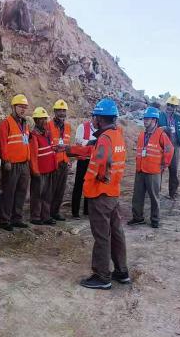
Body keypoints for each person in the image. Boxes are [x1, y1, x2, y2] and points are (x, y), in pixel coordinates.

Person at [67, 99, 130, 290]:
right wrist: (68, 150)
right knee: (116, 233)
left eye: (94, 116)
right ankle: (121, 271)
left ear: (100, 118)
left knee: (102, 236)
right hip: (112, 193)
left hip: (100, 194)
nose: (93, 119)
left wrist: (101, 176)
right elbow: (92, 150)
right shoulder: (116, 135)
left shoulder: (104, 138)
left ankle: (102, 276)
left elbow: (102, 158)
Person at [127, 107, 174, 228]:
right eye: (144, 118)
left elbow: (169, 149)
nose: (145, 121)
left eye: (147, 119)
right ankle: (137, 217)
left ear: (155, 120)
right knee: (137, 196)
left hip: (153, 171)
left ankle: (155, 219)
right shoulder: (142, 135)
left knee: (154, 197)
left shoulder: (161, 134)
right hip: (140, 170)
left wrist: (164, 164)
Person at [0, 94, 31, 231]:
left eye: (25, 107)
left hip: (24, 163)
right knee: (9, 192)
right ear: (13, 107)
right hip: (11, 164)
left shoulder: (24, 123)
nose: (23, 109)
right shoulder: (6, 123)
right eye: (20, 106)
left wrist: (28, 159)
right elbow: (2, 143)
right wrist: (6, 160)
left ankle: (17, 218)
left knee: (21, 192)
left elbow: (26, 142)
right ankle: (4, 220)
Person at [29, 107, 58, 225]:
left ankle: (46, 216)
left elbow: (51, 150)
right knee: (37, 194)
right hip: (40, 171)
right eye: (41, 119)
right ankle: (35, 217)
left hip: (49, 169)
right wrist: (35, 171)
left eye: (45, 119)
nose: (44, 121)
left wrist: (54, 165)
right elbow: (33, 156)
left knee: (47, 194)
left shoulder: (47, 133)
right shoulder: (34, 135)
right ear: (36, 120)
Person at [158, 96, 180, 199]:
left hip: (174, 146)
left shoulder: (178, 116)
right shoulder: (160, 115)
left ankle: (173, 193)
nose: (170, 107)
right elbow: (154, 129)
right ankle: (155, 192)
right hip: (162, 146)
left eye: (173, 105)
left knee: (173, 170)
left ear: (176, 107)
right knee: (158, 170)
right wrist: (163, 129)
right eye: (169, 104)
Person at [47, 99, 71, 221]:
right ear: (55, 112)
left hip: (64, 162)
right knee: (51, 189)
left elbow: (67, 145)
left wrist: (68, 160)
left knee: (61, 189)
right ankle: (47, 213)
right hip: (53, 162)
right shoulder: (49, 125)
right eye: (59, 111)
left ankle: (55, 212)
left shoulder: (68, 127)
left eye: (63, 111)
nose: (62, 113)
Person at [71, 116, 97, 219]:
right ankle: (75, 212)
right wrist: (90, 142)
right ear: (93, 117)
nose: (98, 121)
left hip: (94, 161)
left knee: (90, 185)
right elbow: (78, 141)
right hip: (83, 161)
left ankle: (87, 210)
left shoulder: (101, 128)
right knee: (79, 185)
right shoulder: (82, 127)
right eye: (96, 118)